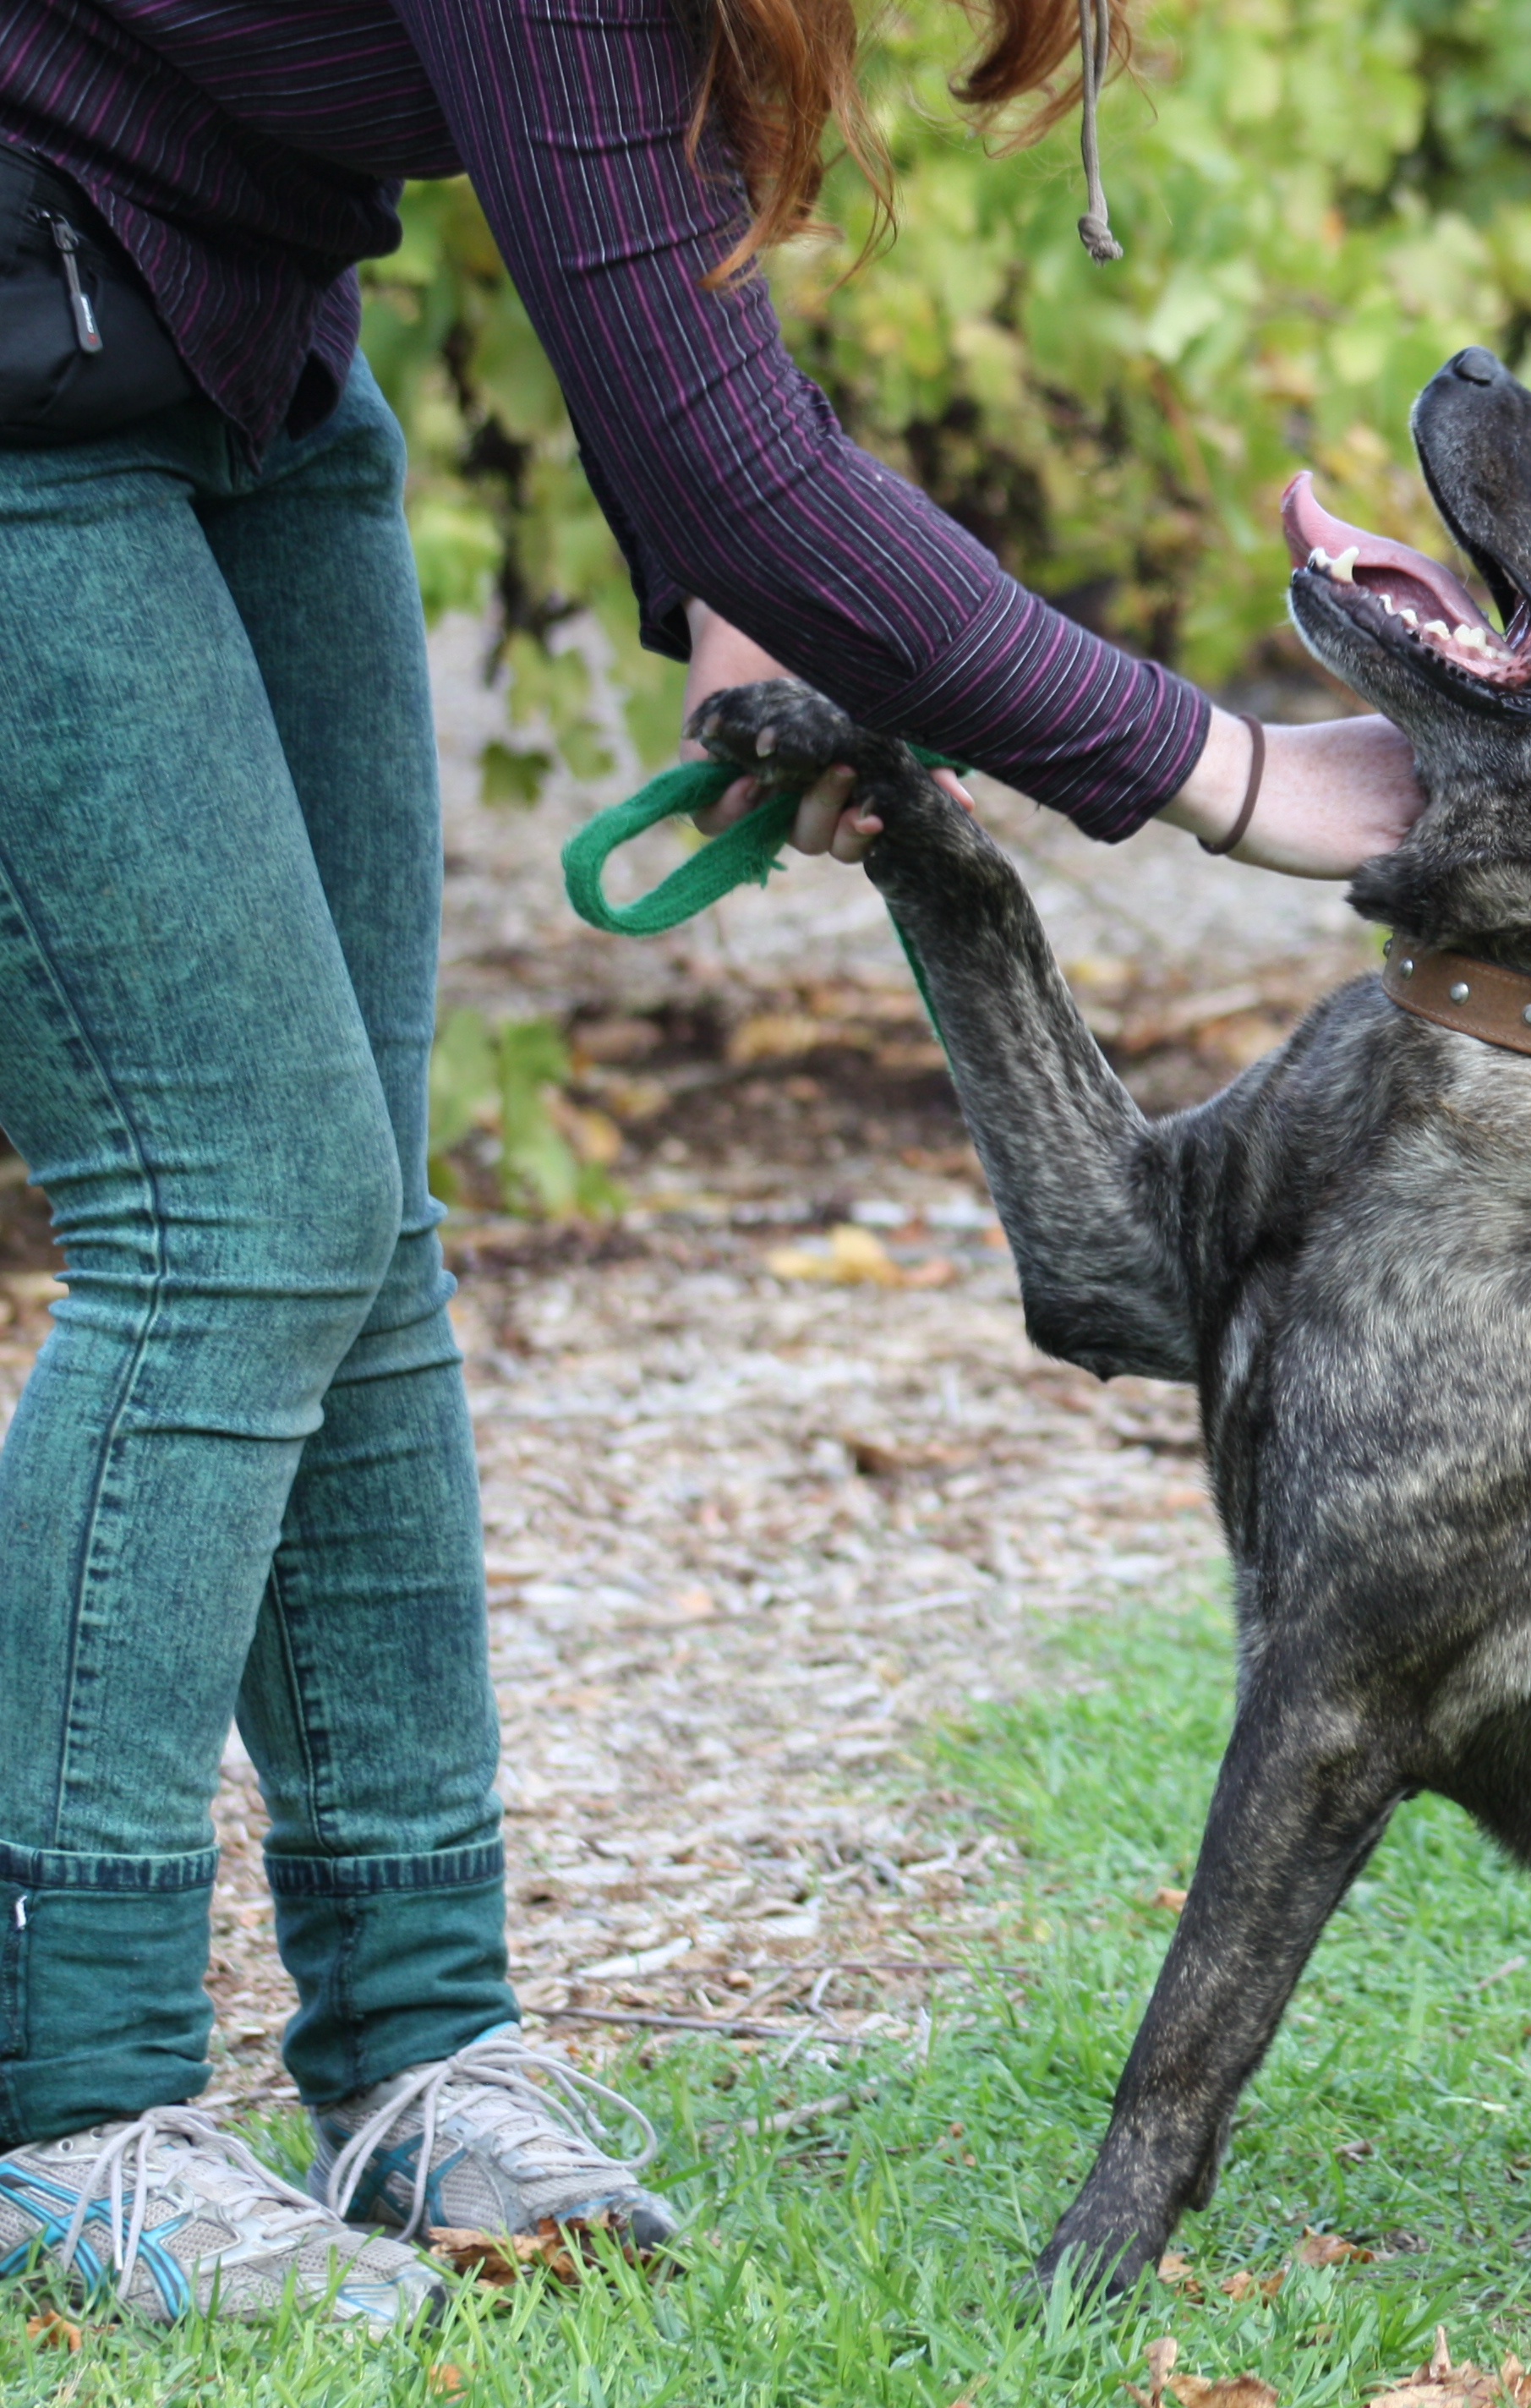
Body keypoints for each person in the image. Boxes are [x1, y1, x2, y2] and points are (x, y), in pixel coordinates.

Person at [0, 0, 1419, 2327]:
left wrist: (764, 591)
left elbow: (667, 293)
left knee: (352, 1242)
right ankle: (63, 2111)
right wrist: (1235, 775)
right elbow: (717, 429)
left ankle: (419, 2052)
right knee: (231, 1217)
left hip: (221, 350)